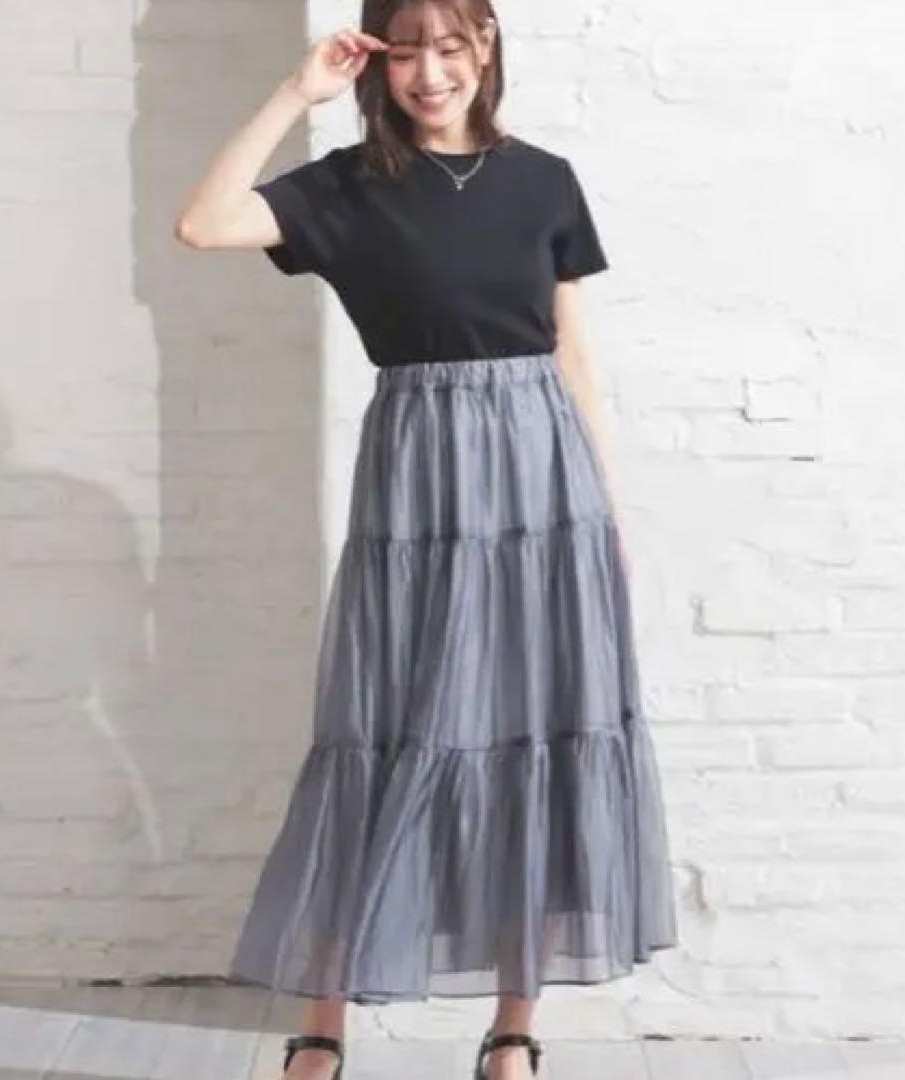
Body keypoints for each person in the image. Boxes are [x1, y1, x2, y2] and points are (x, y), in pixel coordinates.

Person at [174, 2, 678, 1078]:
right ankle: (323, 1026)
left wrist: (605, 509)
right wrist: (295, 94)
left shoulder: (544, 181)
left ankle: (513, 1029)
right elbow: (203, 225)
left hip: (546, 479)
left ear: (485, 46)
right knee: (388, 727)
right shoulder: (348, 187)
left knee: (539, 724)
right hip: (420, 478)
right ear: (378, 63)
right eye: (407, 52)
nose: (431, 73)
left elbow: (571, 353)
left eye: (451, 47)